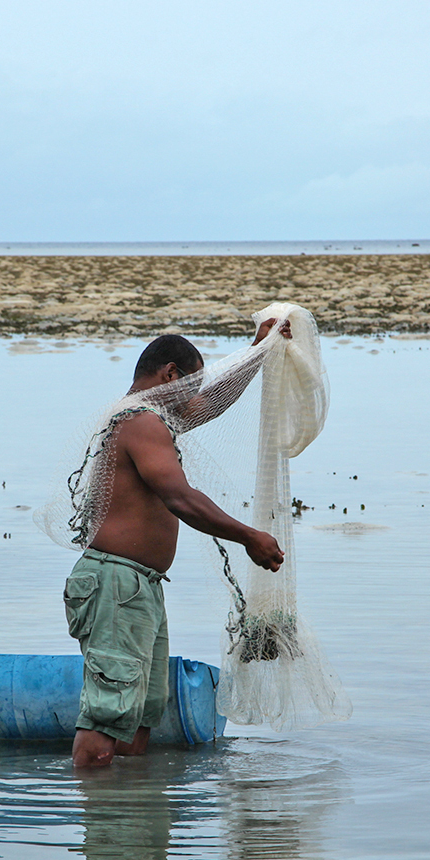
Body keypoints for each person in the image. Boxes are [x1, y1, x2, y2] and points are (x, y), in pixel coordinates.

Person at [65, 317, 289, 768]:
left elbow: (209, 405)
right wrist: (248, 536)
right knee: (107, 718)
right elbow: (179, 497)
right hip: (115, 586)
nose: (193, 399)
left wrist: (257, 353)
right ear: (169, 374)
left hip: (139, 587)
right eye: (190, 385)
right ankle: (99, 828)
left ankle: (132, 823)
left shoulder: (152, 417)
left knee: (141, 718)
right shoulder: (140, 421)